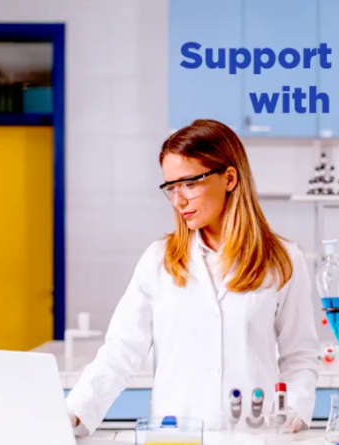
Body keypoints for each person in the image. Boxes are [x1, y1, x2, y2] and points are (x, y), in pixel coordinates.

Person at [65, 119, 321, 436]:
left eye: (189, 183)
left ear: (229, 178)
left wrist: (293, 412)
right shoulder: (158, 260)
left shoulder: (282, 260)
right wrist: (73, 415)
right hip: (176, 437)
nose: (178, 200)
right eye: (170, 187)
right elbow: (122, 351)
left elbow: (300, 355)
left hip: (254, 436)